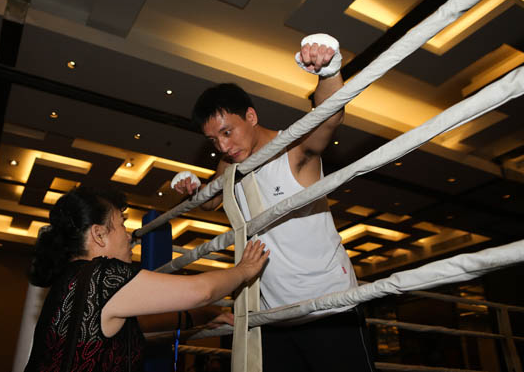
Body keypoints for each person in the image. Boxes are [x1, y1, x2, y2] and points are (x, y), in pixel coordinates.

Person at [173, 36, 376, 371]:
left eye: (228, 132)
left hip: (328, 310)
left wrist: (328, 73)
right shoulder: (231, 168)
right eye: (213, 140)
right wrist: (194, 190)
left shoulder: (293, 150)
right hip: (274, 319)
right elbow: (212, 201)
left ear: (250, 116)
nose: (223, 147)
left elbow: (327, 119)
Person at [24, 186, 269, 372]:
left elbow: (139, 325)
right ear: (99, 234)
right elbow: (200, 291)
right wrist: (244, 270)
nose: (130, 236)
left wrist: (206, 315)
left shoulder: (74, 278)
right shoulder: (102, 275)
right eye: (121, 225)